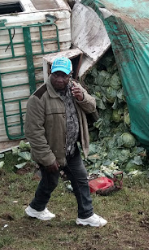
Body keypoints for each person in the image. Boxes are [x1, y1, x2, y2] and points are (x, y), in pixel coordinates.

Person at [24, 57, 107, 227]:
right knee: (50, 181)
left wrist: (82, 97)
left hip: (71, 148)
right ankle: (36, 208)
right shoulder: (38, 98)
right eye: (56, 75)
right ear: (50, 73)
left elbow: (92, 107)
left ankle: (85, 215)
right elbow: (34, 132)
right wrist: (47, 158)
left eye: (64, 76)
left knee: (80, 178)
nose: (60, 80)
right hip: (52, 152)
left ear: (70, 75)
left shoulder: (74, 88)